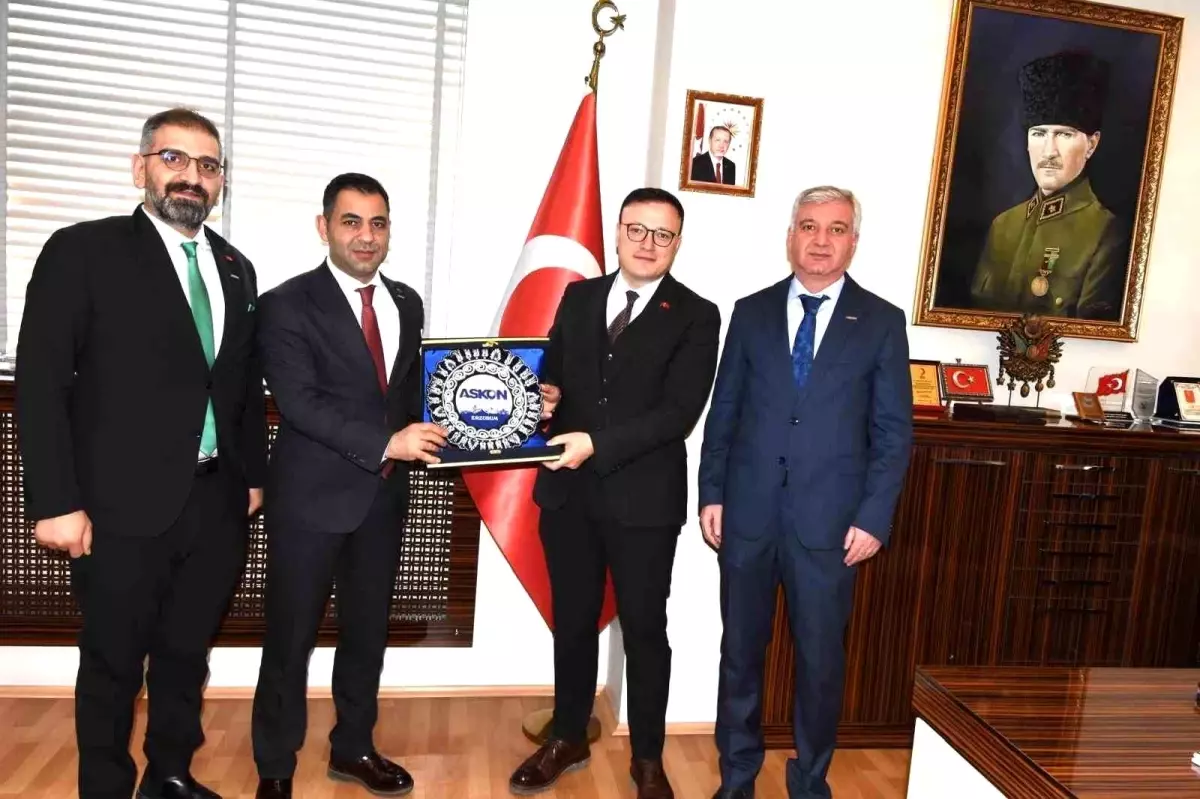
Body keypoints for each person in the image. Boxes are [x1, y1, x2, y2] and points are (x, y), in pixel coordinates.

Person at [15, 107, 267, 799]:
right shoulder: (82, 251)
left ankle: (170, 775)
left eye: (208, 165)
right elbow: (41, 382)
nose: (192, 176)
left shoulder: (236, 269)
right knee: (113, 663)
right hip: (117, 506)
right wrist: (55, 501)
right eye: (174, 158)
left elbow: (240, 385)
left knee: (186, 656)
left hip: (216, 503)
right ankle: (105, 787)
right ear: (141, 168)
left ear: (220, 182)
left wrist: (251, 477)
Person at [697, 186, 913, 799]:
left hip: (832, 526)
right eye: (809, 226)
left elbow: (893, 433)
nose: (821, 241)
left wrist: (874, 517)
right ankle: (737, 779)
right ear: (790, 236)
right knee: (740, 655)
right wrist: (712, 492)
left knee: (820, 663)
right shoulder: (750, 312)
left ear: (854, 241)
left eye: (836, 229)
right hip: (747, 516)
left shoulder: (881, 322)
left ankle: (810, 780)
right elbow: (724, 412)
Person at [507, 187, 721, 799]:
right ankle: (567, 736)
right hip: (569, 496)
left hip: (643, 504)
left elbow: (678, 413)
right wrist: (542, 396)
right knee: (572, 624)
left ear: (677, 243)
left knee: (646, 632)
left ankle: (647, 759)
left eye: (663, 234)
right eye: (637, 229)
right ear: (618, 231)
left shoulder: (697, 314)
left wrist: (596, 444)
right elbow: (551, 373)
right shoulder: (579, 297)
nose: (648, 243)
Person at [249, 173, 446, 799]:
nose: (366, 236)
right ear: (324, 227)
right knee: (291, 638)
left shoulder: (406, 302)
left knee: (367, 633)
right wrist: (388, 444)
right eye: (351, 221)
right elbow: (298, 402)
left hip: (382, 499)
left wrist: (509, 408)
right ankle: (275, 765)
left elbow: (410, 395)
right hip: (309, 500)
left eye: (378, 223)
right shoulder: (285, 304)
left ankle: (354, 746)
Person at [969, 50, 1128, 320]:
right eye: (1039, 133)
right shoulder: (1003, 226)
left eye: (1064, 134)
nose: (1049, 151)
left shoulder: (1107, 233)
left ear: (1092, 144)